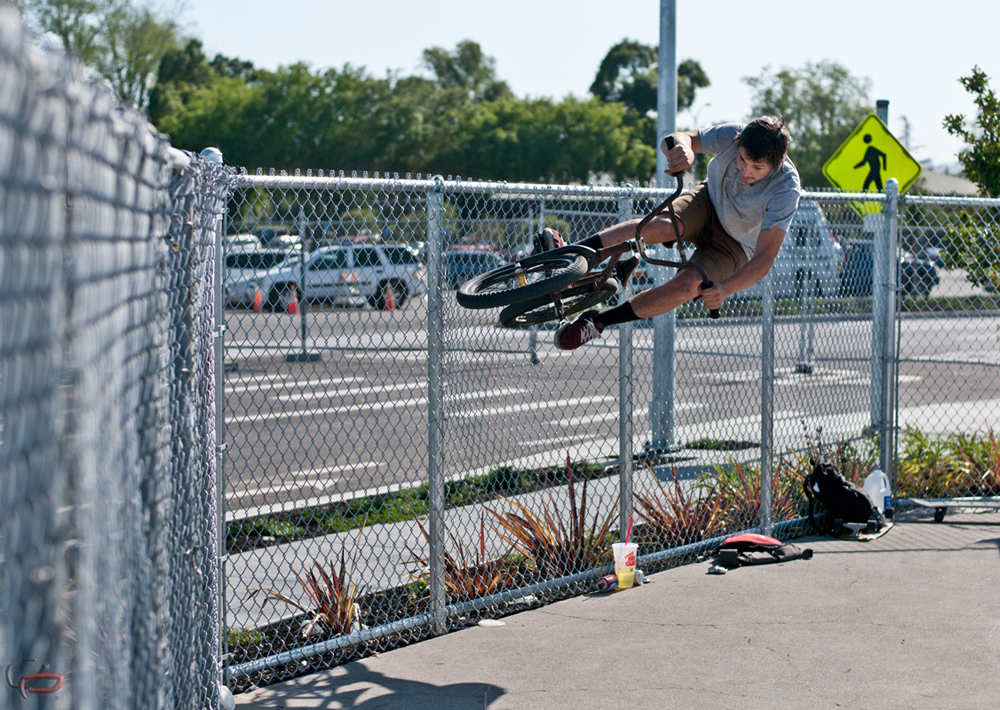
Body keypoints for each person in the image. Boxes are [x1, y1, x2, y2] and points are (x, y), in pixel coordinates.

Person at [540, 115, 801, 350]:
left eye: (757, 168)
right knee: (659, 227)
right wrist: (683, 149)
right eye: (742, 159)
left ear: (777, 163)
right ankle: (571, 258)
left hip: (736, 243)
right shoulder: (733, 135)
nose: (745, 171)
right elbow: (675, 138)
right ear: (739, 144)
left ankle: (596, 322)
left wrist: (724, 290)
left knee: (686, 287)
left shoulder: (786, 188)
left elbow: (765, 258)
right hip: (708, 201)